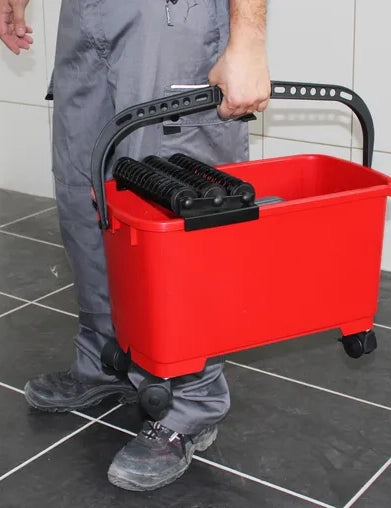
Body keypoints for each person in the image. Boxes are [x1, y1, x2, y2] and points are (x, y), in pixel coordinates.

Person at [0, 0, 270, 491]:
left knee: (174, 199)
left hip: (171, 17)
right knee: (86, 188)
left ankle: (191, 402)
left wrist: (248, 36)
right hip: (85, 10)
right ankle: (108, 358)